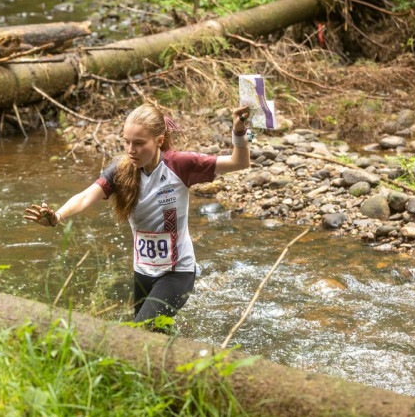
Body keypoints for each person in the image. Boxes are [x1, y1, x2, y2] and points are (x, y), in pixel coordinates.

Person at [25, 103, 251, 331]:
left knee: (139, 332)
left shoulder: (180, 165)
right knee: (156, 337)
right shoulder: (120, 171)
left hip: (177, 273)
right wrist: (57, 216)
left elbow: (239, 162)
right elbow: (85, 196)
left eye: (139, 144)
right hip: (143, 271)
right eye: (126, 142)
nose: (130, 150)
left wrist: (239, 132)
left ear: (159, 141)